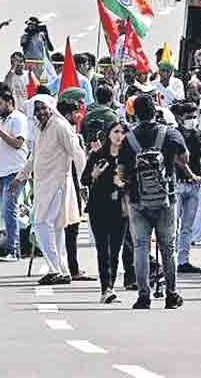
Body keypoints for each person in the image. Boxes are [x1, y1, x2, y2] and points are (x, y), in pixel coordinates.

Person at [117, 94, 197, 309]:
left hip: (137, 199)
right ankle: (171, 294)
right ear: (155, 111)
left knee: (141, 247)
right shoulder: (170, 133)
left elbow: (122, 172)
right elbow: (185, 158)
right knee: (167, 247)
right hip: (166, 198)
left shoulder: (129, 138)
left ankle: (144, 296)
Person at [12, 97, 86, 286]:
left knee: (41, 223)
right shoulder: (39, 128)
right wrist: (20, 177)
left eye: (43, 108)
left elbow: (76, 152)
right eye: (37, 110)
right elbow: (34, 157)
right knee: (56, 228)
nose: (41, 112)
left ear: (50, 107)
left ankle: (55, 269)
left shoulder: (60, 126)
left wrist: (85, 181)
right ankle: (62, 270)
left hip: (59, 184)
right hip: (43, 185)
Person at [83, 121, 129, 304]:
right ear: (109, 134)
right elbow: (84, 178)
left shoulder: (128, 156)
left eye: (123, 132)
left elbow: (132, 180)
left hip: (120, 207)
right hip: (99, 206)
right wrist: (94, 175)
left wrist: (123, 183)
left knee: (116, 250)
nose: (119, 135)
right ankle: (106, 288)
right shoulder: (98, 155)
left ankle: (111, 286)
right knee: (103, 248)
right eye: (116, 131)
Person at [0, 86, 28, 261]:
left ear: (10, 102)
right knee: (5, 211)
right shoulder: (0, 120)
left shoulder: (18, 119)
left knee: (10, 210)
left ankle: (14, 249)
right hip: (1, 172)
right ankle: (14, 245)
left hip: (15, 172)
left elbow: (17, 143)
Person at [172, 102, 201, 275]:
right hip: (177, 184)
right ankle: (170, 259)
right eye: (188, 117)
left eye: (194, 116)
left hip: (193, 186)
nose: (192, 120)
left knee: (187, 226)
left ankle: (183, 260)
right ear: (179, 118)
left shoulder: (198, 135)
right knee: (172, 226)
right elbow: (176, 159)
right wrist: (190, 173)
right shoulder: (174, 135)